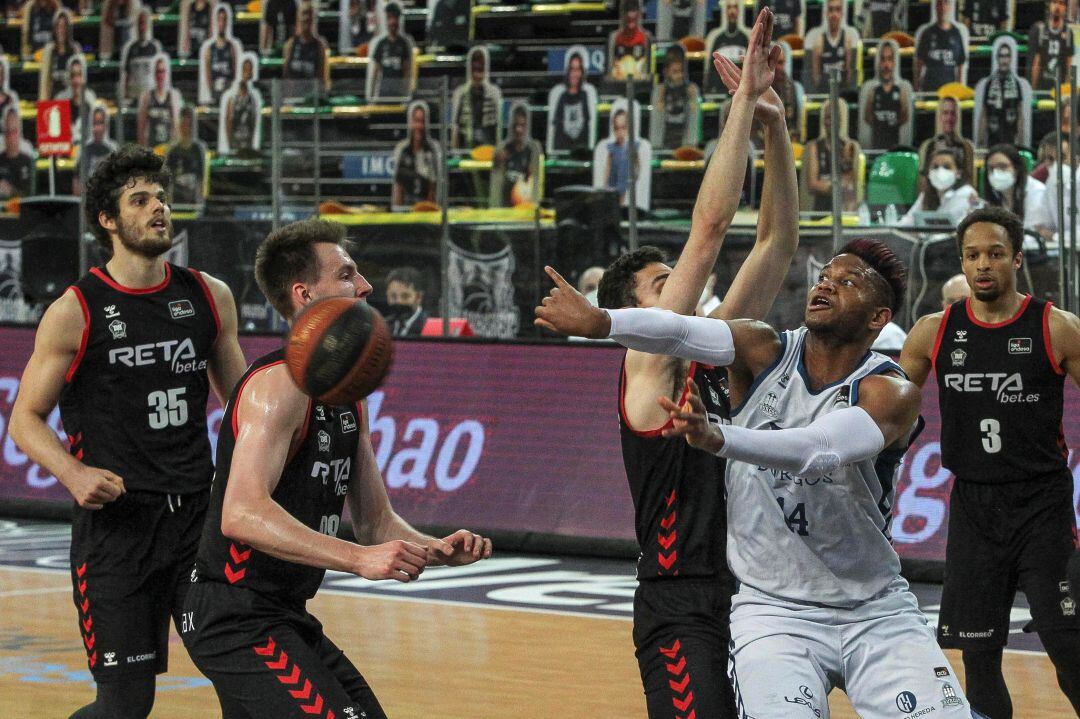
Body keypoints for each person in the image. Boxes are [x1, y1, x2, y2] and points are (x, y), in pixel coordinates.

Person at [537, 234, 975, 717]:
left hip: (874, 608)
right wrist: (602, 322)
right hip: (774, 613)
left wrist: (721, 438)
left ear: (878, 318)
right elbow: (679, 332)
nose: (826, 285)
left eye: (847, 282)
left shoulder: (890, 390)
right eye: (825, 276)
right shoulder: (762, 348)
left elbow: (818, 449)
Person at [538, 12, 800, 717]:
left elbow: (776, 243)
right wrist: (742, 100)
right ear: (636, 312)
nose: (683, 284)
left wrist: (776, 127)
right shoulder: (646, 362)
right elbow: (710, 233)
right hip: (679, 598)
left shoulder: (712, 347)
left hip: (752, 590)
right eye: (664, 283)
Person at [180, 218, 492, 718]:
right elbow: (239, 512)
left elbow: (375, 523)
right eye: (347, 274)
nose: (365, 285)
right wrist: (357, 559)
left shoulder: (347, 396)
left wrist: (433, 551)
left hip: (282, 613)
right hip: (235, 615)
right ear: (304, 295)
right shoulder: (277, 385)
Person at [8, 145, 246, 719]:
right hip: (119, 528)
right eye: (139, 200)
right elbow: (24, 419)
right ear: (109, 221)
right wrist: (73, 471)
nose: (158, 208)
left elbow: (245, 408)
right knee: (125, 704)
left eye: (161, 197)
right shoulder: (76, 310)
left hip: (197, 522)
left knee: (244, 677)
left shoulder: (209, 296)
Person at [900, 206, 1080, 719]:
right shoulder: (933, 331)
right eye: (973, 255)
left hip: (1041, 504)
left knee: (1067, 644)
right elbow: (885, 410)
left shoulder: (1057, 327)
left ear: (1017, 260)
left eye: (995, 254)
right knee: (978, 655)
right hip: (974, 506)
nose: (983, 265)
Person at [804, 100, 860, 212]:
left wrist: (829, 185)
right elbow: (813, 184)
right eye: (828, 117)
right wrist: (836, 186)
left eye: (836, 117)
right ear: (824, 121)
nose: (832, 122)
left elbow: (850, 184)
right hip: (820, 210)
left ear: (841, 121)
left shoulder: (849, 147)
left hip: (843, 209)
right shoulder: (814, 147)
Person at [900, 147, 979, 226]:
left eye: (947, 167)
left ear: (958, 173)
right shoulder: (926, 195)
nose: (940, 171)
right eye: (935, 167)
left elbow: (962, 227)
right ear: (929, 173)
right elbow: (908, 221)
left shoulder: (968, 194)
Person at [975, 38, 1030, 149]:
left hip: (1011, 139)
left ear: (1010, 59)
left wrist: (1021, 141)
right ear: (997, 58)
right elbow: (984, 113)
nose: (1004, 60)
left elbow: (1020, 115)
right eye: (1001, 56)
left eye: (1007, 56)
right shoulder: (989, 83)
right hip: (992, 140)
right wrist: (980, 141)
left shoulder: (1016, 83)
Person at [859, 39, 912, 151]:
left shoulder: (902, 89)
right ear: (878, 62)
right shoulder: (871, 90)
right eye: (883, 59)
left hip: (895, 147)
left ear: (895, 62)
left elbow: (904, 117)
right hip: (876, 146)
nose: (886, 64)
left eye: (889, 59)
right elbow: (867, 117)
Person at [546, 48, 598, 155]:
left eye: (578, 69)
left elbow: (587, 126)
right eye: (572, 69)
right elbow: (557, 127)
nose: (575, 74)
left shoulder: (586, 96)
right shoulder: (561, 96)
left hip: (581, 152)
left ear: (582, 72)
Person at [491, 101, 542, 207]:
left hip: (524, 206)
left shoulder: (533, 149)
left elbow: (536, 182)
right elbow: (495, 185)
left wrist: (533, 207)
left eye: (522, 125)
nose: (518, 130)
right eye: (515, 125)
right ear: (510, 126)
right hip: (504, 207)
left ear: (527, 127)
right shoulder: (501, 149)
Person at [981, 144, 1044, 230]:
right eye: (991, 168)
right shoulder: (995, 194)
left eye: (1002, 167)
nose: (996, 173)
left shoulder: (1036, 192)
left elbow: (1033, 229)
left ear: (1016, 168)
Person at [451, 47, 502, 149]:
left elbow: (498, 127)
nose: (477, 74)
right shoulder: (460, 93)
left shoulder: (494, 93)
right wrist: (454, 151)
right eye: (474, 69)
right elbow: (455, 126)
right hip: (465, 147)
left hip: (488, 148)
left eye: (480, 69)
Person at [650, 44, 700, 150]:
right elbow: (656, 123)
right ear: (667, 72)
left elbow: (694, 120)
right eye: (675, 72)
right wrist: (661, 98)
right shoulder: (659, 90)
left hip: (684, 142)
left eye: (681, 71)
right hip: (663, 141)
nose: (679, 75)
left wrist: (690, 146)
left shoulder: (692, 90)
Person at [919, 96, 976, 187]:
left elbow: (970, 180)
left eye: (953, 113)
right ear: (939, 116)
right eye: (945, 113)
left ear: (958, 117)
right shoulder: (928, 146)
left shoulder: (967, 147)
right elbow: (923, 180)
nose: (949, 118)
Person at [392, 101, 440, 207]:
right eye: (416, 121)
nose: (419, 126)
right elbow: (398, 187)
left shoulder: (432, 150)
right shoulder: (402, 150)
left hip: (425, 209)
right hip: (406, 210)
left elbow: (433, 188)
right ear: (410, 122)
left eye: (422, 122)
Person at [914, 0, 968, 92]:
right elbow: (919, 63)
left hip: (949, 89)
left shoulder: (956, 33)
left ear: (950, 7)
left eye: (945, 3)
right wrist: (916, 86)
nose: (943, 7)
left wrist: (959, 89)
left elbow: (960, 65)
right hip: (929, 89)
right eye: (940, 3)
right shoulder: (927, 33)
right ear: (935, 7)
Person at [806, 0, 858, 93]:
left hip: (842, 92)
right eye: (831, 10)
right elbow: (815, 76)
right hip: (824, 91)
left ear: (842, 13)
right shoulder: (818, 41)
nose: (834, 14)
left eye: (838, 10)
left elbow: (849, 75)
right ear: (826, 14)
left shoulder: (847, 39)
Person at [367, 2, 415, 101]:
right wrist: (371, 96)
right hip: (384, 93)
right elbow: (375, 72)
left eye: (395, 18)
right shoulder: (381, 43)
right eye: (390, 18)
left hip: (399, 93)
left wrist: (407, 93)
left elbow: (407, 70)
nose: (392, 21)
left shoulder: (404, 43)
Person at [220, 53, 263, 155]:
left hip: (248, 142)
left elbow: (254, 122)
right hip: (235, 141)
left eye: (250, 70)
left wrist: (252, 143)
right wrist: (230, 145)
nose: (247, 74)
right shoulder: (232, 97)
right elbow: (229, 120)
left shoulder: (254, 98)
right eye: (245, 70)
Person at [282, 1, 331, 92]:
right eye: (304, 14)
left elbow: (324, 79)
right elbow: (286, 77)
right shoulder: (290, 44)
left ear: (313, 19)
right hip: (293, 97)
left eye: (309, 14)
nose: (306, 18)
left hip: (312, 98)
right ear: (298, 18)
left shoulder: (320, 46)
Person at [703, 0, 748, 95]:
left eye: (735, 7)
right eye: (729, 7)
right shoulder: (718, 39)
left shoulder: (744, 39)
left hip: (740, 91)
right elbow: (712, 69)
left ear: (739, 11)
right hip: (720, 91)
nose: (732, 11)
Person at [165, 105, 208, 206]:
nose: (186, 129)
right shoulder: (172, 151)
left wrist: (200, 203)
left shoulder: (199, 149)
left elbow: (201, 178)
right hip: (176, 202)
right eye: (184, 124)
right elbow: (167, 181)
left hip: (193, 202)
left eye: (189, 125)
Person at [199, 4, 241, 106]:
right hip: (215, 93)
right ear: (215, 22)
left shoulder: (232, 47)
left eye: (224, 19)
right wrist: (212, 93)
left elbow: (235, 73)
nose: (221, 23)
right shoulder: (209, 49)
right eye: (219, 19)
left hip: (229, 93)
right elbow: (208, 74)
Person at [137, 54, 182, 148]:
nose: (160, 75)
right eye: (158, 71)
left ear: (167, 73)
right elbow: (141, 127)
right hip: (152, 147)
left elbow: (176, 126)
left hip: (168, 147)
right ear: (153, 73)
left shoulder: (173, 95)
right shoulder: (146, 96)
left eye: (163, 71)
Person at [120, 9, 164, 103]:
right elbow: (127, 75)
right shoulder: (130, 48)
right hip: (134, 96)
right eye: (140, 23)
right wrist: (125, 96)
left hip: (150, 97)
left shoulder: (155, 47)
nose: (142, 27)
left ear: (148, 25)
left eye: (144, 23)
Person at [73, 103, 118, 196]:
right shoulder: (83, 150)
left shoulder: (114, 149)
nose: (97, 128)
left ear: (106, 124)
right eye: (94, 123)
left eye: (100, 123)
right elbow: (76, 181)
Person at [1028, 0, 1072, 92]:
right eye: (1054, 2)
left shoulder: (1068, 33)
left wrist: (1066, 95)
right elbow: (1036, 63)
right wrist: (1033, 91)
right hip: (1042, 87)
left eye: (1061, 3)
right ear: (1049, 5)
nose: (1057, 7)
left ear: (1065, 8)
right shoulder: (1040, 30)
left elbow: (1069, 67)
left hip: (1059, 91)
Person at [607, 0, 653, 82]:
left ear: (639, 13)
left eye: (633, 10)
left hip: (640, 88)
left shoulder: (646, 37)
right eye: (627, 10)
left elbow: (648, 73)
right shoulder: (614, 38)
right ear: (621, 14)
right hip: (619, 86)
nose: (630, 15)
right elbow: (609, 73)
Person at [38, 7, 78, 98]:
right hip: (53, 101)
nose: (61, 30)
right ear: (54, 29)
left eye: (64, 27)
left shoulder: (75, 49)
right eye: (59, 26)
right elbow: (44, 82)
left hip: (70, 100)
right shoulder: (49, 51)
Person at [55, 54, 96, 143]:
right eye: (72, 75)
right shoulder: (60, 99)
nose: (76, 80)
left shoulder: (90, 99)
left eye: (79, 75)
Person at [0, 107, 34, 200]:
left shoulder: (27, 161)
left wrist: (11, 191)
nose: (11, 137)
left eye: (14, 131)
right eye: (8, 132)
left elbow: (31, 194)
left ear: (20, 133)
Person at [385, 265, 429, 336]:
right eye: (393, 296)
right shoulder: (383, 327)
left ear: (419, 297)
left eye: (405, 296)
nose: (398, 301)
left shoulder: (429, 327)